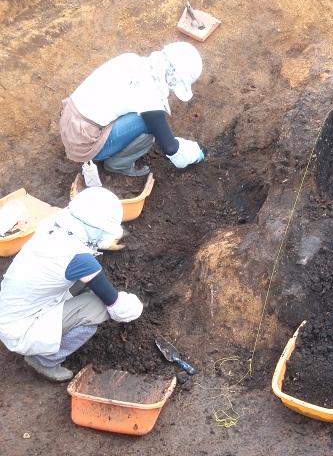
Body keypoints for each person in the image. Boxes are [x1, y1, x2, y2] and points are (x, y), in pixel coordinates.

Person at [0, 187, 143, 381]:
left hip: (12, 309)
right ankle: (44, 361)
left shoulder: (54, 223)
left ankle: (48, 341)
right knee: (97, 307)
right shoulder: (80, 260)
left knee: (86, 282)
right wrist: (135, 306)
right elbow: (116, 306)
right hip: (20, 329)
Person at [59, 42, 206, 177]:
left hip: (69, 121)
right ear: (176, 79)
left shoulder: (131, 60)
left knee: (147, 117)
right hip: (83, 142)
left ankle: (112, 146)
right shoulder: (150, 98)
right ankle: (118, 164)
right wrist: (195, 155)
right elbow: (171, 149)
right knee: (150, 125)